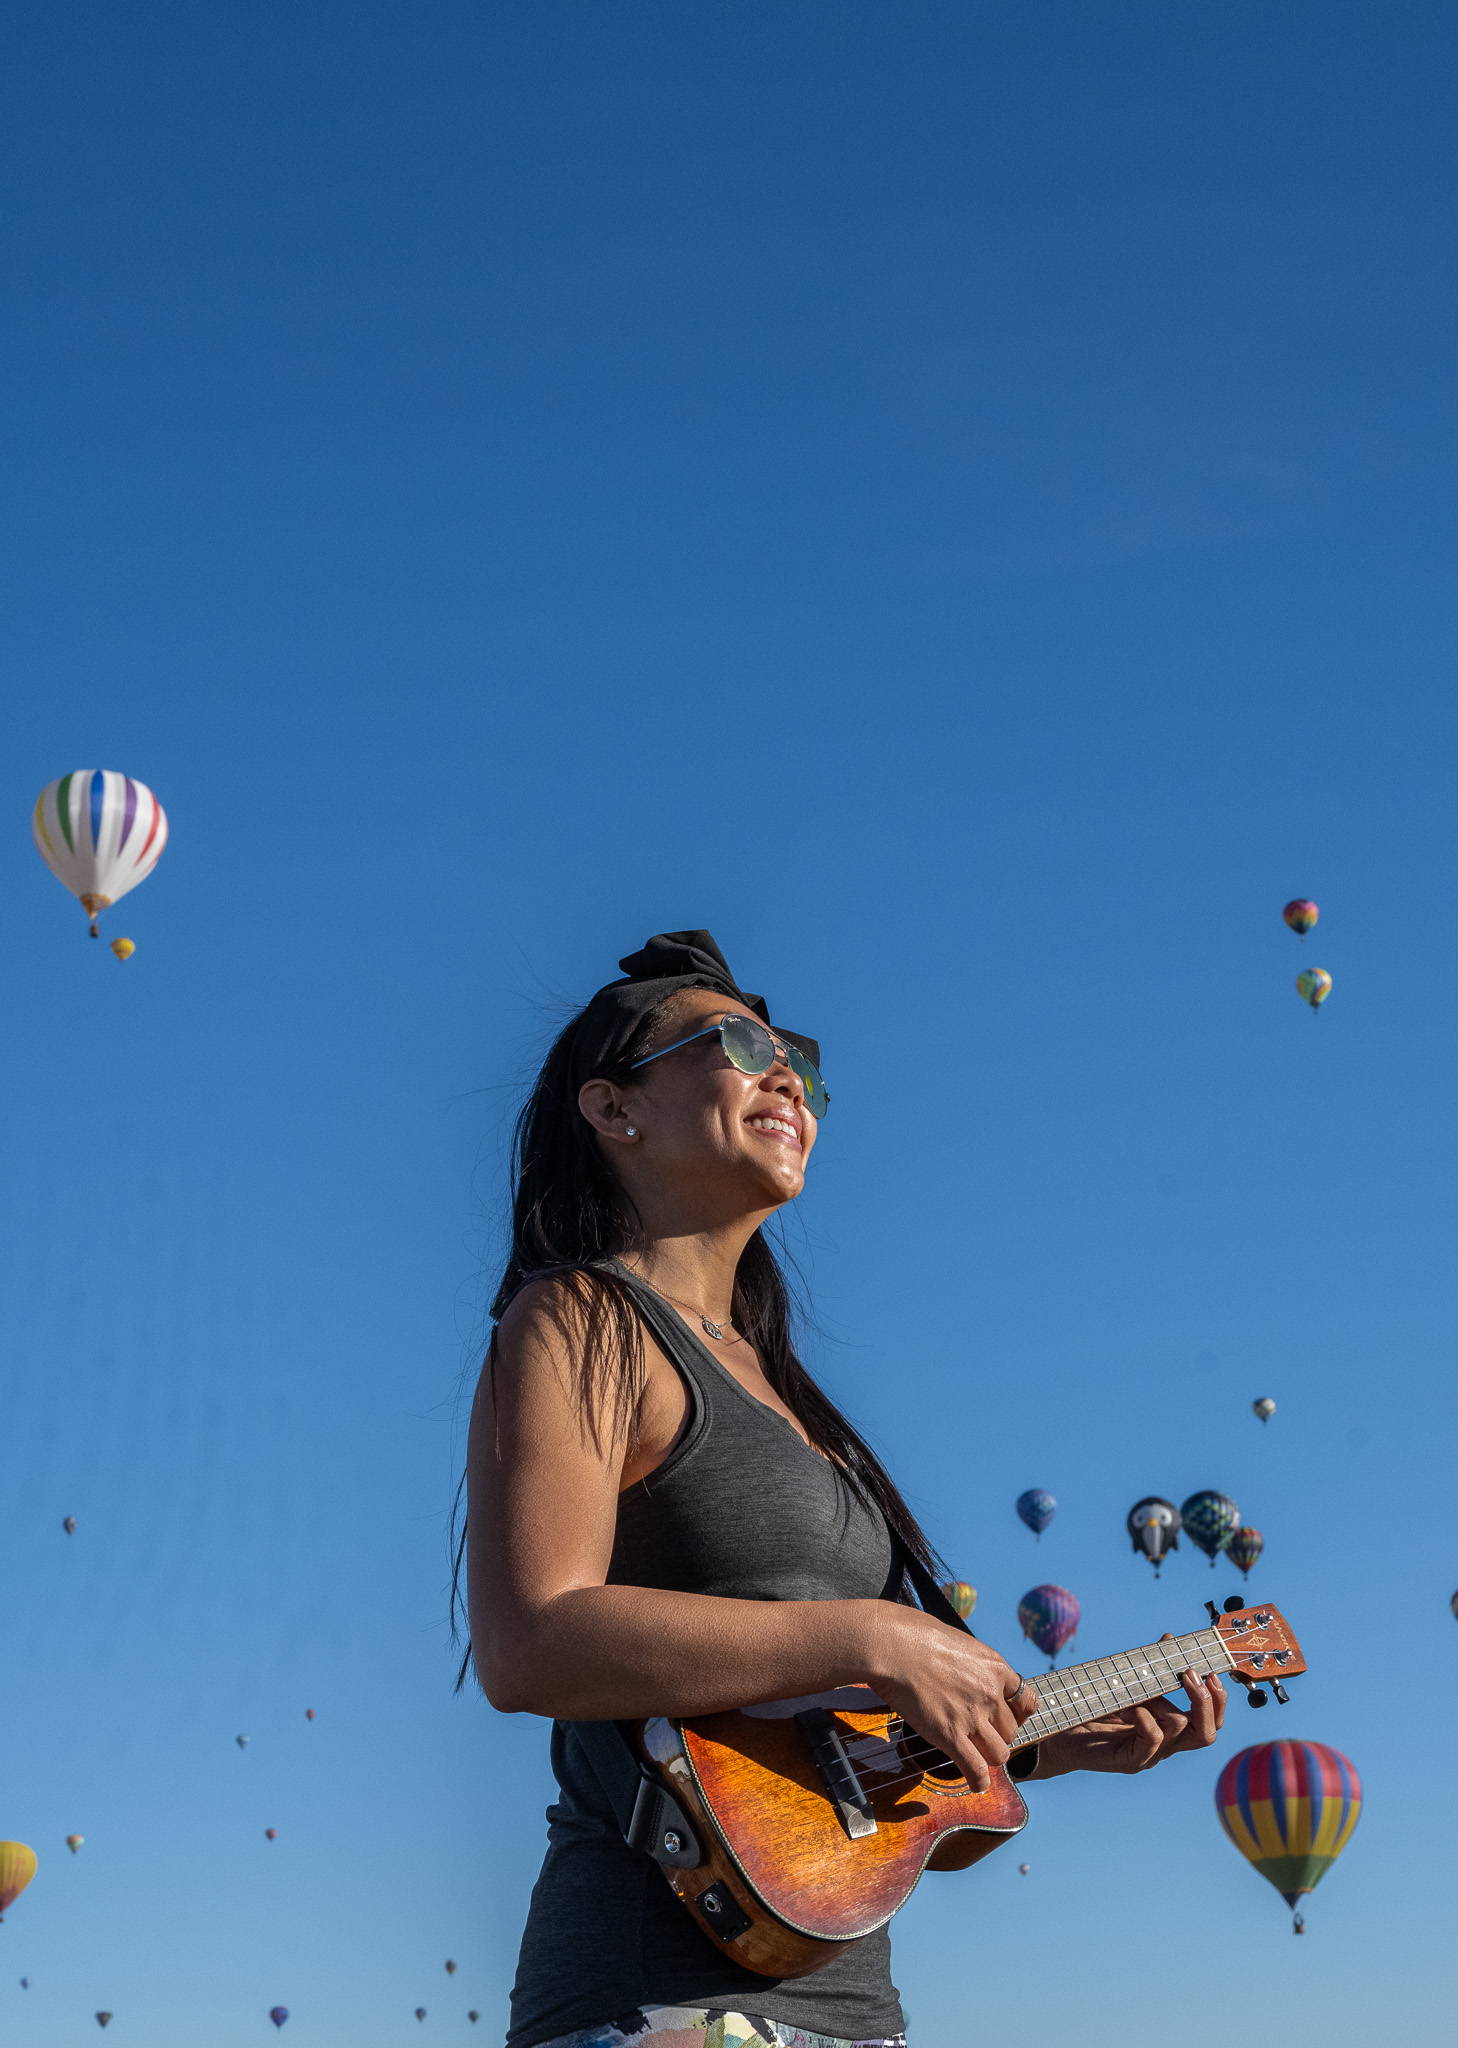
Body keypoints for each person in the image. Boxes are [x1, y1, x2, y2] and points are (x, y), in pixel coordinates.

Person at [449, 931, 1225, 2048]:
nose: (788, 1077)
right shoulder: (582, 1318)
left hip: (855, 2012)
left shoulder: (797, 1399)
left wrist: (1036, 1741)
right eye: (739, 1044)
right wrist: (878, 1635)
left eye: (801, 1064)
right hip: (654, 2002)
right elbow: (531, 1638)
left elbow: (822, 1751)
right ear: (614, 1110)